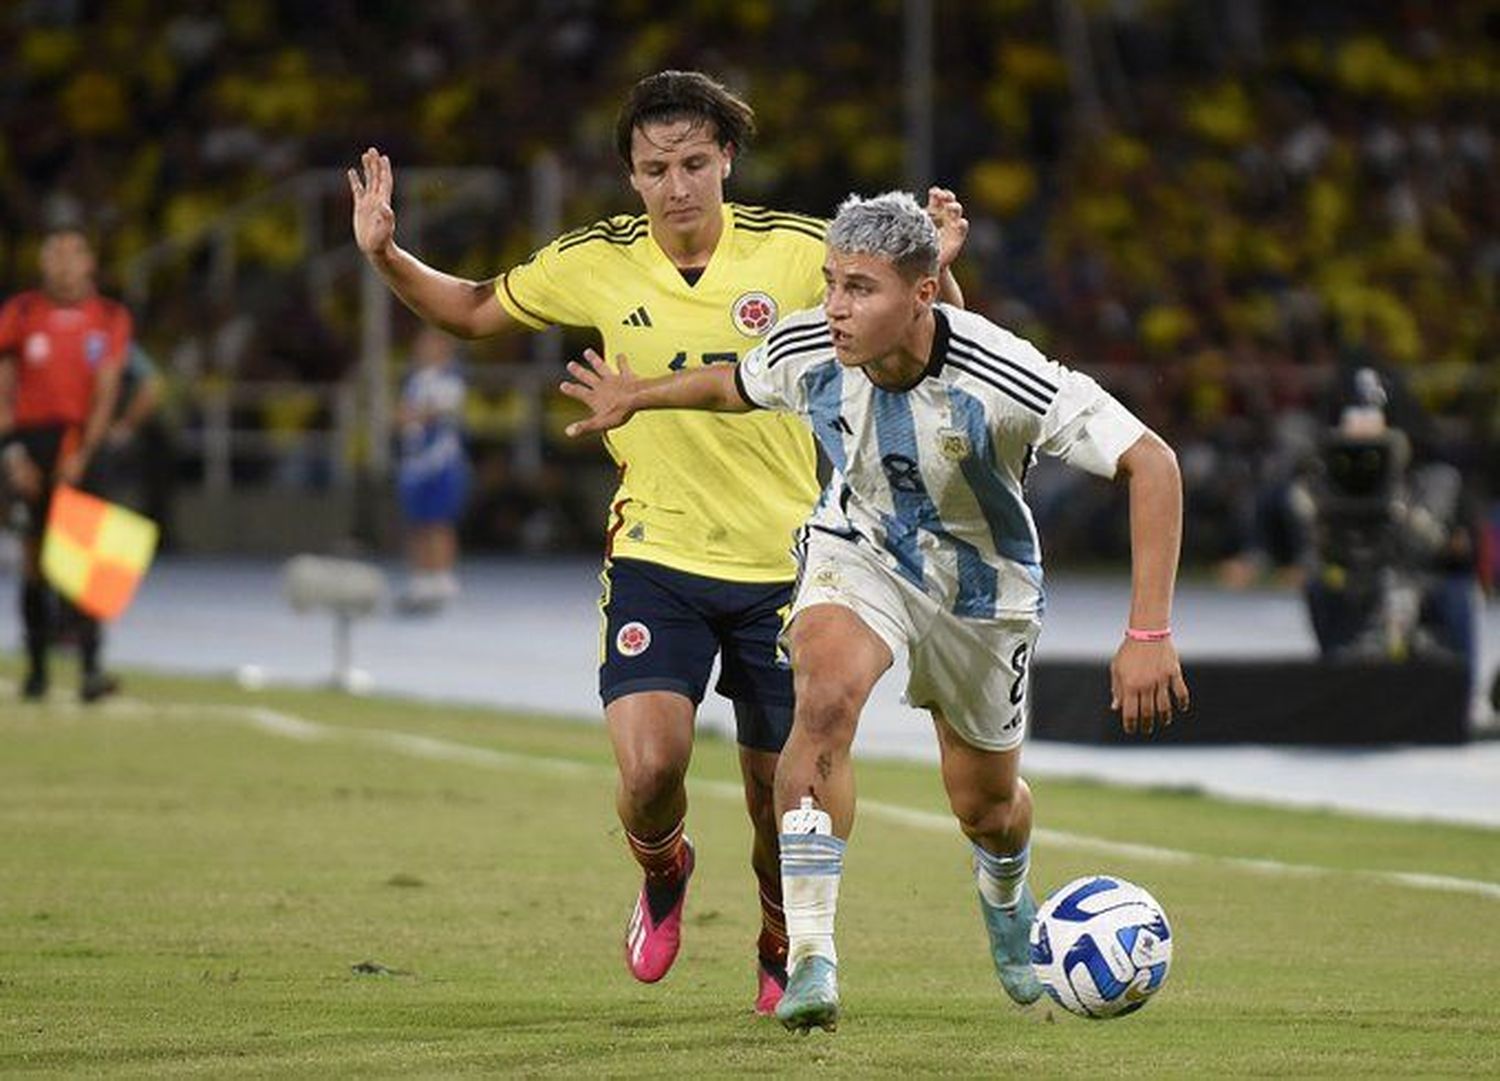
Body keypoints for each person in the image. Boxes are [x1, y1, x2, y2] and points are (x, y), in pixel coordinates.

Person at [350, 69, 970, 1015]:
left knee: (778, 802)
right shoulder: (596, 258)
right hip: (658, 552)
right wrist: (390, 256)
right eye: (654, 168)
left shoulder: (802, 250)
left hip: (793, 565)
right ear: (632, 180)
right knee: (647, 772)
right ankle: (664, 868)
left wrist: (942, 266)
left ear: (726, 158)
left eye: (692, 162)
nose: (677, 185)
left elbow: (923, 320)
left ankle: (780, 931)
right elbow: (474, 309)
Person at [559, 191, 1190, 1032]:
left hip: (981, 593)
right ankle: (810, 955)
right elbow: (735, 383)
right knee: (820, 703)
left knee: (986, 807)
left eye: (860, 288)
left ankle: (1005, 892)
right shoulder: (811, 344)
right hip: (856, 554)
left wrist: (1147, 632)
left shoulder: (1006, 373)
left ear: (923, 295)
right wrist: (641, 395)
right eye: (830, 282)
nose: (835, 307)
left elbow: (1154, 463)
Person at [0, 225, 130, 702]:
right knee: (34, 559)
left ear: (90, 263)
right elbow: (4, 387)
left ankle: (92, 670)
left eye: (74, 252)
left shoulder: (110, 317)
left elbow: (107, 391)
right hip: (30, 444)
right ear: (42, 263)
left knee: (90, 561)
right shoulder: (21, 313)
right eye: (54, 253)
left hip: (81, 443)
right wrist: (13, 453)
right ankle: (35, 671)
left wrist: (84, 454)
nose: (64, 262)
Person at [395, 325, 470, 614]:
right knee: (417, 520)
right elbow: (400, 416)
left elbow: (439, 412)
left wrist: (414, 414)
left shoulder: (451, 378)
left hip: (442, 461)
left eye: (430, 345)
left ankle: (442, 576)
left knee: (439, 521)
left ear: (444, 349)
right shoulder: (414, 379)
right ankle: (422, 576)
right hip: (414, 462)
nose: (423, 350)